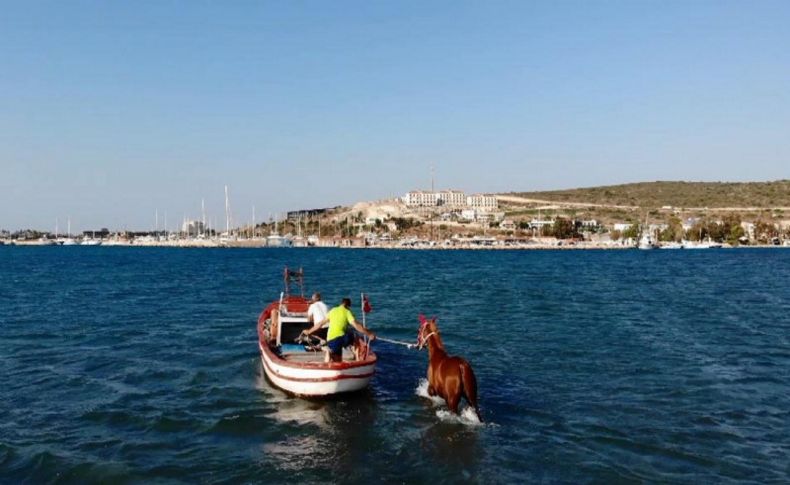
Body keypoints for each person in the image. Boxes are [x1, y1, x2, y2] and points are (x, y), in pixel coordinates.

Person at [302, 297, 375, 362]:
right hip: (341, 339)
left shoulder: (333, 310)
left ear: (341, 304)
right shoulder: (347, 312)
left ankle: (329, 352)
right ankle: (357, 358)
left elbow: (320, 324)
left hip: (331, 340)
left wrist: (309, 331)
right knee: (354, 335)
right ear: (348, 306)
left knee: (337, 360)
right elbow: (356, 325)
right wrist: (369, 334)